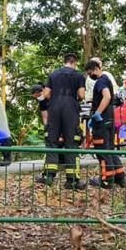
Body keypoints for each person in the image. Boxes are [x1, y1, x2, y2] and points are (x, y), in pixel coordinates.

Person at [43, 53, 86, 189]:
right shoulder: (79, 76)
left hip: (54, 107)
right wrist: (75, 100)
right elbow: (81, 95)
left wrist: (55, 100)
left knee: (52, 140)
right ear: (74, 62)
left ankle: (49, 176)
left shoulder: (54, 74)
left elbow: (46, 94)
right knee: (71, 142)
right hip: (70, 109)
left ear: (65, 61)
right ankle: (72, 180)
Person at [85, 59, 126, 188]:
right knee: (110, 150)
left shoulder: (101, 81)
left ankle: (106, 180)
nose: (89, 75)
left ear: (96, 69)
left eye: (90, 72)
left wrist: (97, 113)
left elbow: (107, 96)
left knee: (102, 150)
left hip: (101, 122)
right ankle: (120, 177)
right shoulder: (107, 80)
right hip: (109, 120)